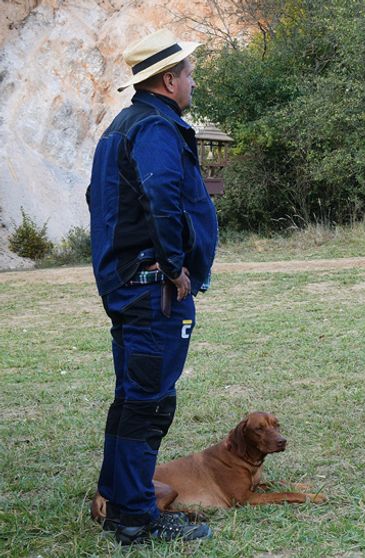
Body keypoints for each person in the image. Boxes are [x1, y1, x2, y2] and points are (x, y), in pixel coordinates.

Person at [87, 29, 217, 544]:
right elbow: (163, 195)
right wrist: (173, 265)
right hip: (152, 291)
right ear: (168, 81)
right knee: (150, 403)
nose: (193, 81)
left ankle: (117, 500)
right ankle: (137, 518)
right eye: (188, 74)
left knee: (133, 397)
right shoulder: (156, 128)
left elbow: (98, 199)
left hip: (128, 285)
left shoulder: (123, 126)